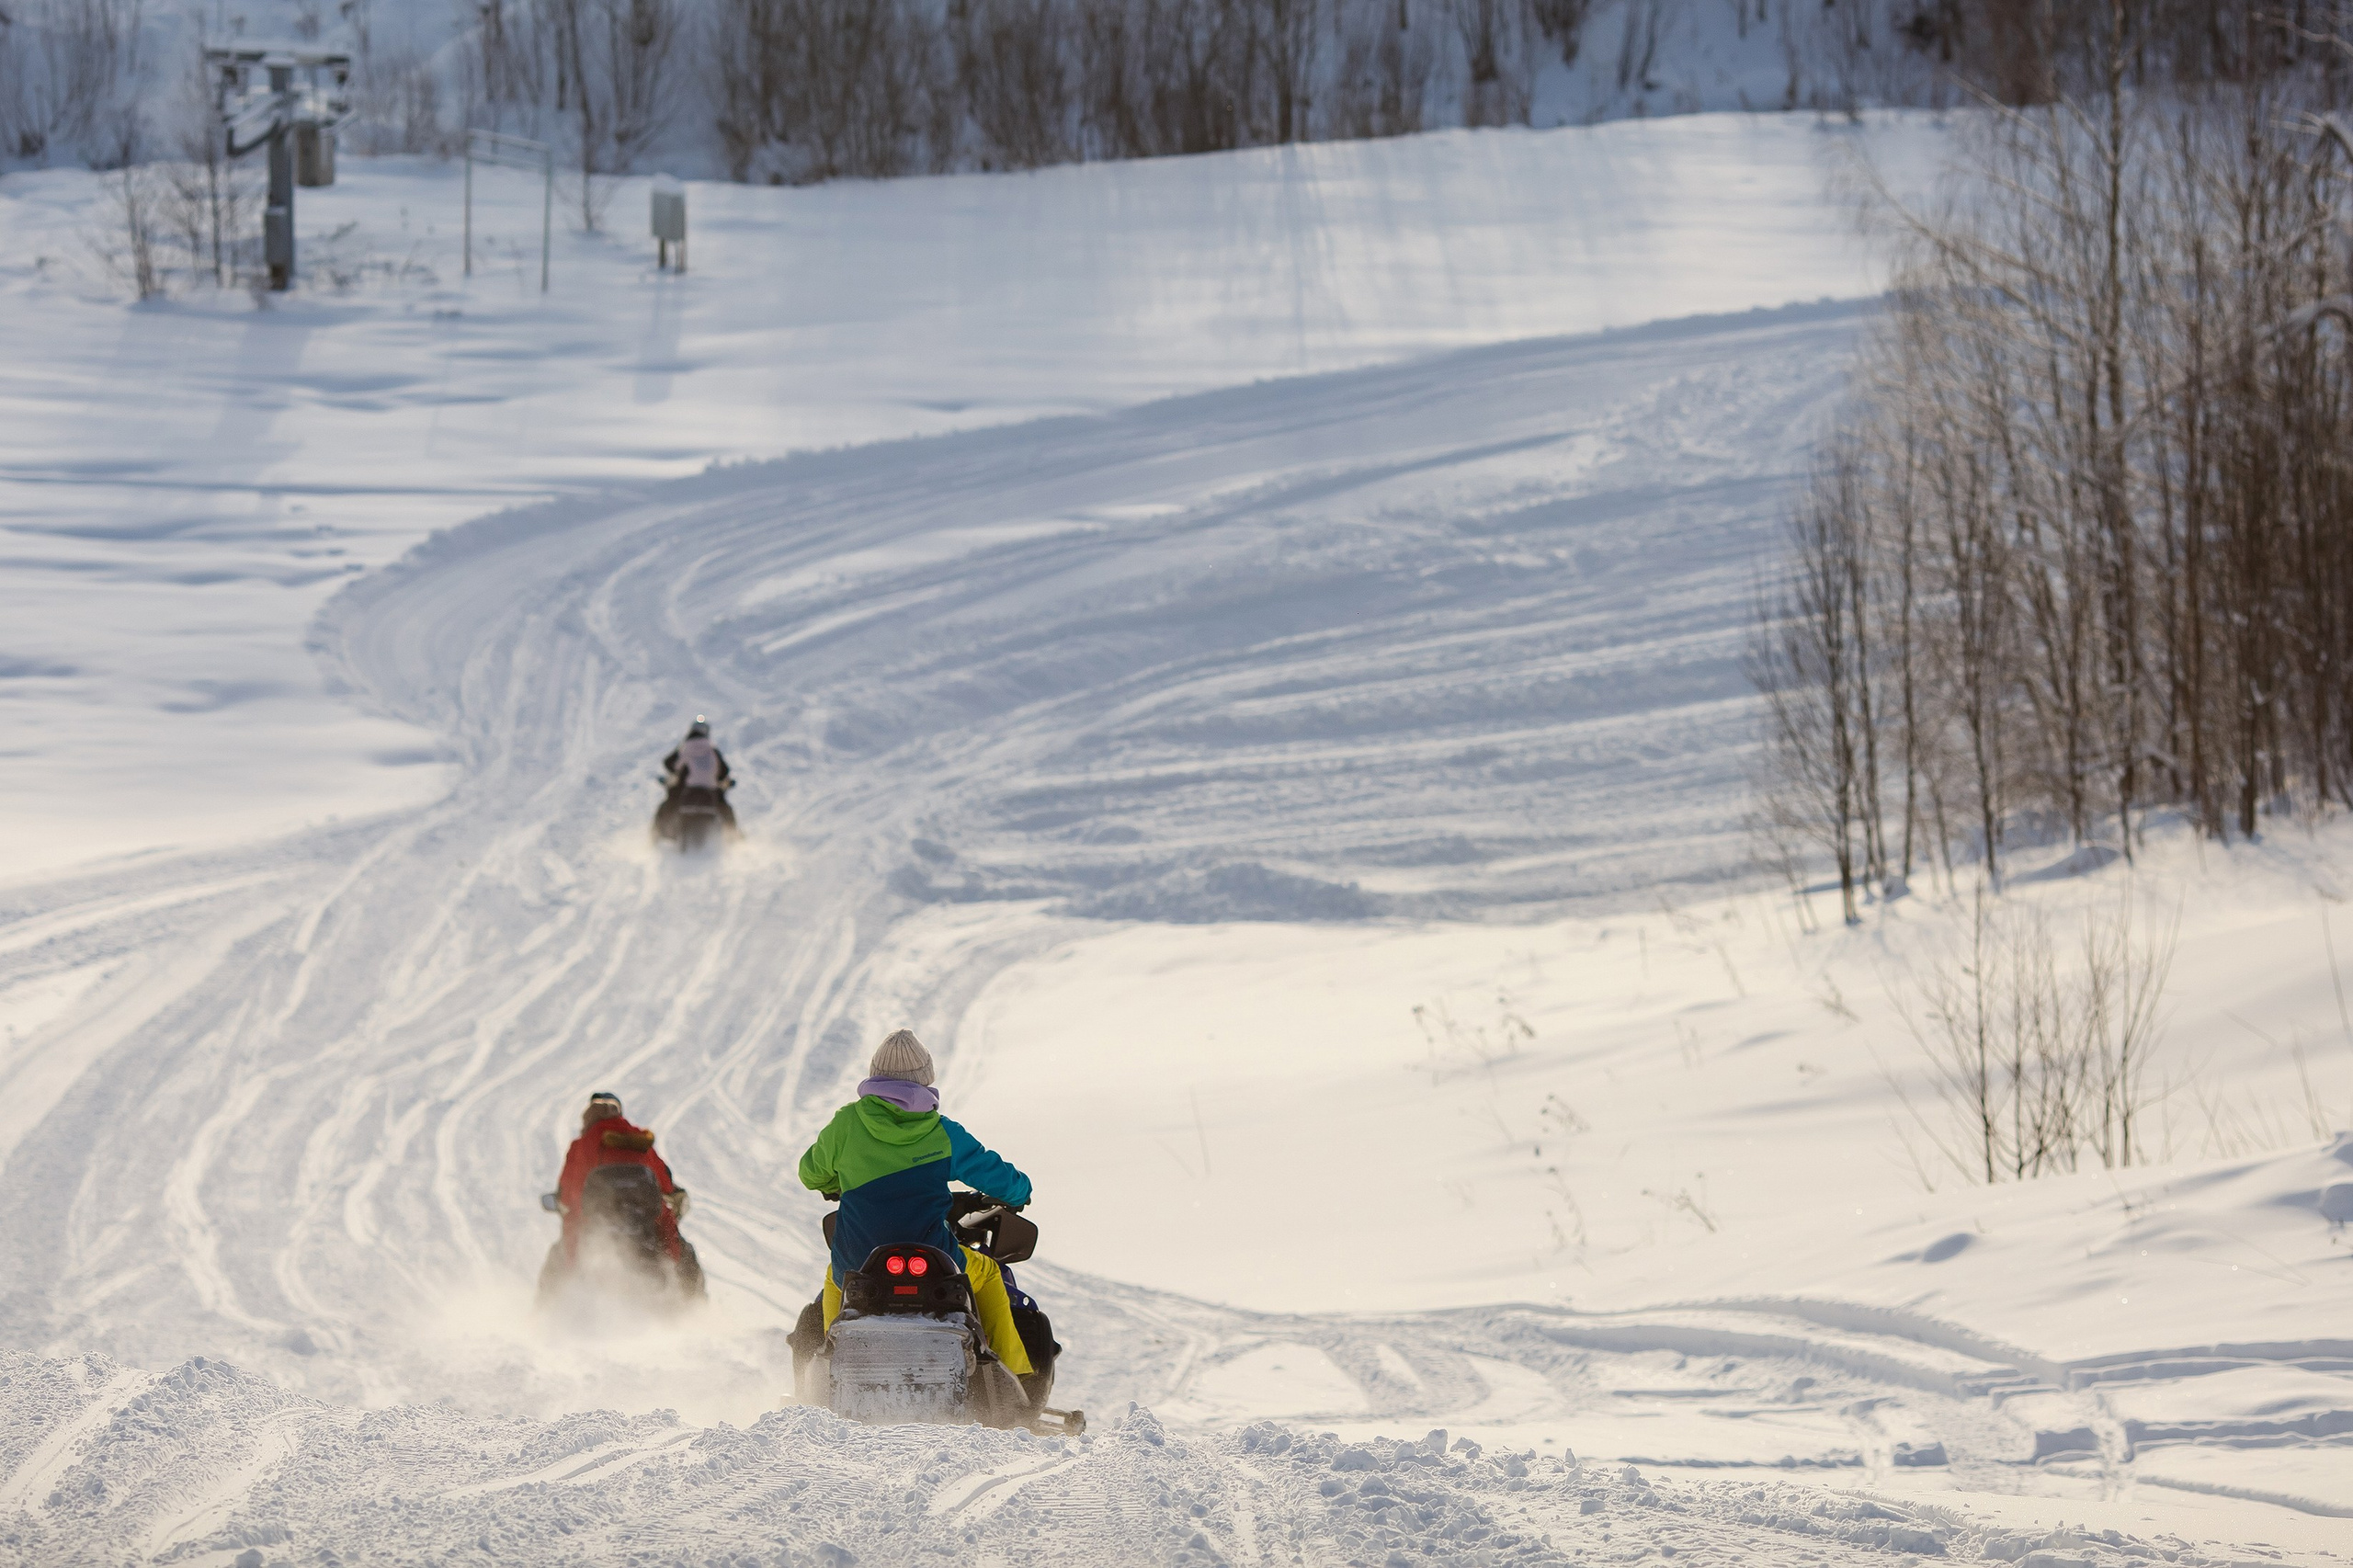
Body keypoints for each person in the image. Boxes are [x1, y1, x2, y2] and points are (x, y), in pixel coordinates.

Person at [797, 1030, 1034, 1378]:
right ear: (926, 1079)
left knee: (836, 1280)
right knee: (988, 1272)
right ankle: (1016, 1375)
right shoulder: (942, 1132)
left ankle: (827, 1370)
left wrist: (838, 1183)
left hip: (859, 1260)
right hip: (936, 1260)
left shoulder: (846, 1124)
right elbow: (998, 1177)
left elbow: (810, 1174)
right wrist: (1020, 1192)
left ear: (874, 1075)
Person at [549, 1091, 701, 1290]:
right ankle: (689, 1300)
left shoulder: (581, 1145)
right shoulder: (639, 1139)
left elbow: (570, 1191)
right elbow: (664, 1182)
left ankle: (560, 1295)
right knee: (673, 1238)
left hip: (596, 1221)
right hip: (645, 1224)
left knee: (568, 1237)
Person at [656, 716, 738, 838]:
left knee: (665, 808)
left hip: (684, 792)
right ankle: (734, 837)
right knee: (726, 809)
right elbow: (724, 772)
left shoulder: (685, 748)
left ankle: (658, 837)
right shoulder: (712, 750)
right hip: (711, 793)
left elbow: (669, 763)